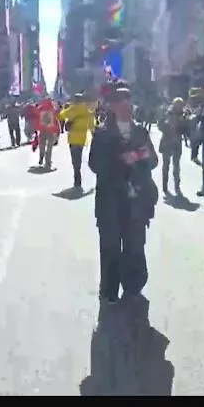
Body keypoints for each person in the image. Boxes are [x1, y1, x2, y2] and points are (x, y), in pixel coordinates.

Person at [88, 83, 159, 303]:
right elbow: (95, 164)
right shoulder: (102, 133)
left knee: (135, 245)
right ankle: (109, 290)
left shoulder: (140, 132)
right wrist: (120, 161)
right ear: (111, 106)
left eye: (128, 99)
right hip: (110, 200)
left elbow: (154, 161)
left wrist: (145, 157)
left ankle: (134, 285)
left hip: (137, 199)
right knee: (110, 246)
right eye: (119, 100)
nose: (125, 104)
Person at [59, 93, 94, 189]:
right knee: (79, 158)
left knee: (75, 160)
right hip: (82, 138)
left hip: (72, 138)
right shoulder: (88, 111)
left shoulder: (72, 109)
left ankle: (77, 178)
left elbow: (60, 116)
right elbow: (92, 125)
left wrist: (65, 109)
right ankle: (78, 177)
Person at [157, 98, 188, 195]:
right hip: (167, 142)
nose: (179, 107)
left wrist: (183, 123)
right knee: (166, 165)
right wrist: (167, 125)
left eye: (180, 105)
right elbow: (159, 125)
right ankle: (165, 186)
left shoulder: (183, 115)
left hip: (176, 143)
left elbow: (186, 130)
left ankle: (177, 186)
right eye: (177, 104)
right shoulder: (167, 113)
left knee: (176, 166)